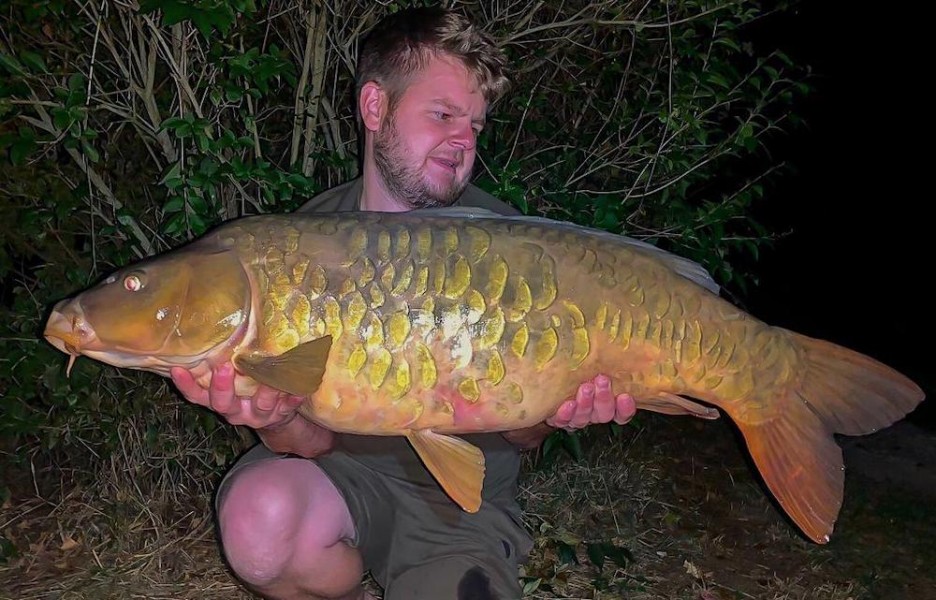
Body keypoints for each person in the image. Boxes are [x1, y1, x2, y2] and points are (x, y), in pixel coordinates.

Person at [170, 7, 636, 600]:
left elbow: (526, 438)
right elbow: (311, 443)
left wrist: (561, 408)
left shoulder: (513, 249)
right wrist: (276, 416)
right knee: (259, 523)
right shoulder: (299, 243)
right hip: (338, 479)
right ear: (375, 107)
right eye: (442, 115)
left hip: (459, 505)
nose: (464, 140)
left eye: (475, 124)